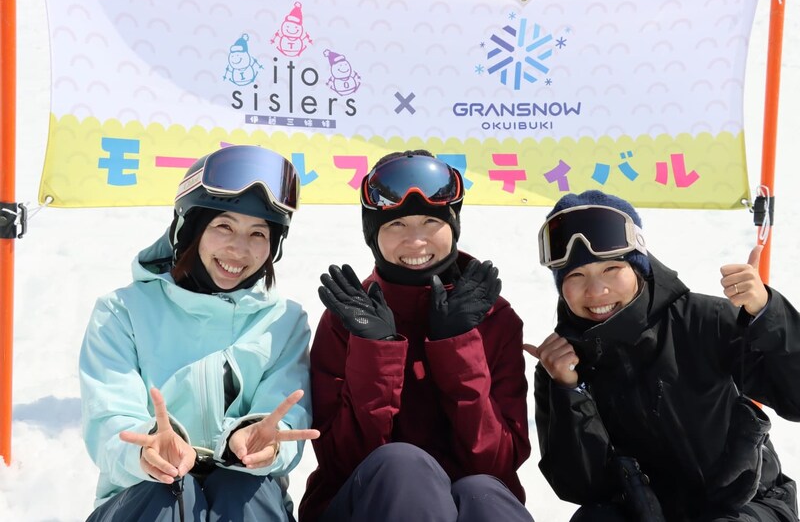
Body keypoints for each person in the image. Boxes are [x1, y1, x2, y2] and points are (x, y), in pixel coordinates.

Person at [79, 145, 320, 522]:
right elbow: (109, 417)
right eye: (224, 226)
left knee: (241, 488)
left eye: (258, 233)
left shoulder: (283, 322)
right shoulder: (123, 312)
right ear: (190, 229)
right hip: (143, 497)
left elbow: (283, 412)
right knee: (171, 487)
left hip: (246, 498)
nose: (239, 249)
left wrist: (264, 442)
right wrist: (145, 451)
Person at [527, 189, 800, 521]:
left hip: (746, 504)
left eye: (612, 268)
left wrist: (766, 313)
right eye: (576, 275)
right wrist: (570, 391)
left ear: (638, 268)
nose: (597, 291)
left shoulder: (704, 320)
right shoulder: (560, 364)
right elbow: (581, 489)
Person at [299, 150, 534, 522]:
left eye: (430, 221)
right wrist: (375, 351)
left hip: (470, 500)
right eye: (396, 224)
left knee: (484, 492)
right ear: (372, 234)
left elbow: (497, 463)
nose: (416, 241)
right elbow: (341, 461)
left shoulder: (494, 318)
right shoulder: (348, 317)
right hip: (368, 501)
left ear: (453, 225)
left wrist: (457, 346)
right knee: (403, 465)